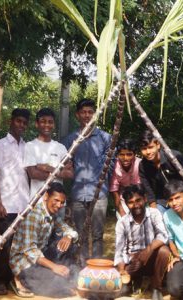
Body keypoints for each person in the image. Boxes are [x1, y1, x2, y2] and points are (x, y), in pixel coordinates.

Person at [62, 99, 111, 261]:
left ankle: (96, 268)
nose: (87, 115)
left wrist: (102, 183)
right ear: (77, 115)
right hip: (78, 193)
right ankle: (82, 268)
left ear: (95, 114)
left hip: (99, 194)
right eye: (83, 112)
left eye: (90, 112)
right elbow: (66, 165)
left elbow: (111, 164)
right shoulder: (71, 139)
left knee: (97, 234)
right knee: (80, 233)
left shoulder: (105, 138)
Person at [9, 183, 79, 298]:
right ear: (46, 196)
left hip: (40, 258)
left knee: (69, 245)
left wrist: (68, 237)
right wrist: (54, 267)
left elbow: (69, 230)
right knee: (59, 288)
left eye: (62, 202)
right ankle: (18, 280)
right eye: (56, 200)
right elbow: (30, 251)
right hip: (25, 263)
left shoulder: (52, 214)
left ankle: (52, 277)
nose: (59, 205)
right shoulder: (34, 215)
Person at [0, 108, 31, 295]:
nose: (21, 125)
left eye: (24, 122)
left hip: (24, 204)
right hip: (7, 204)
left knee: (19, 245)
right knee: (4, 244)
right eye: (18, 121)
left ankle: (14, 280)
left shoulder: (27, 147)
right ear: (11, 121)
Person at [114, 185, 170, 300]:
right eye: (131, 202)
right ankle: (132, 282)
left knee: (164, 251)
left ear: (145, 199)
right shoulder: (122, 223)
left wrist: (148, 250)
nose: (135, 205)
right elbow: (119, 252)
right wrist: (122, 271)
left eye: (138, 200)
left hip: (152, 258)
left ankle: (156, 288)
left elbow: (163, 235)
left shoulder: (154, 213)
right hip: (132, 261)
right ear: (126, 204)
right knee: (116, 286)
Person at [24, 108, 73, 201]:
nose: (47, 125)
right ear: (37, 124)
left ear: (54, 125)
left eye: (50, 122)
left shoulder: (60, 147)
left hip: (58, 203)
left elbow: (70, 174)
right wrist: (60, 172)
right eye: (43, 121)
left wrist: (48, 168)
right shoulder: (30, 146)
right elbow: (33, 174)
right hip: (37, 203)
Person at [139, 130, 183, 213]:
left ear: (158, 145)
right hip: (161, 202)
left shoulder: (174, 157)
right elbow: (148, 190)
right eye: (144, 149)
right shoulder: (143, 166)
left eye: (150, 147)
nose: (148, 152)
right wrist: (154, 212)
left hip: (179, 196)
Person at [109, 138, 141, 219]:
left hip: (140, 197)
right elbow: (114, 190)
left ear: (134, 154)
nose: (125, 158)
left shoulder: (140, 164)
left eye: (129, 154)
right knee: (123, 220)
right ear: (117, 154)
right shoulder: (114, 166)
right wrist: (121, 211)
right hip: (123, 199)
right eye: (122, 154)